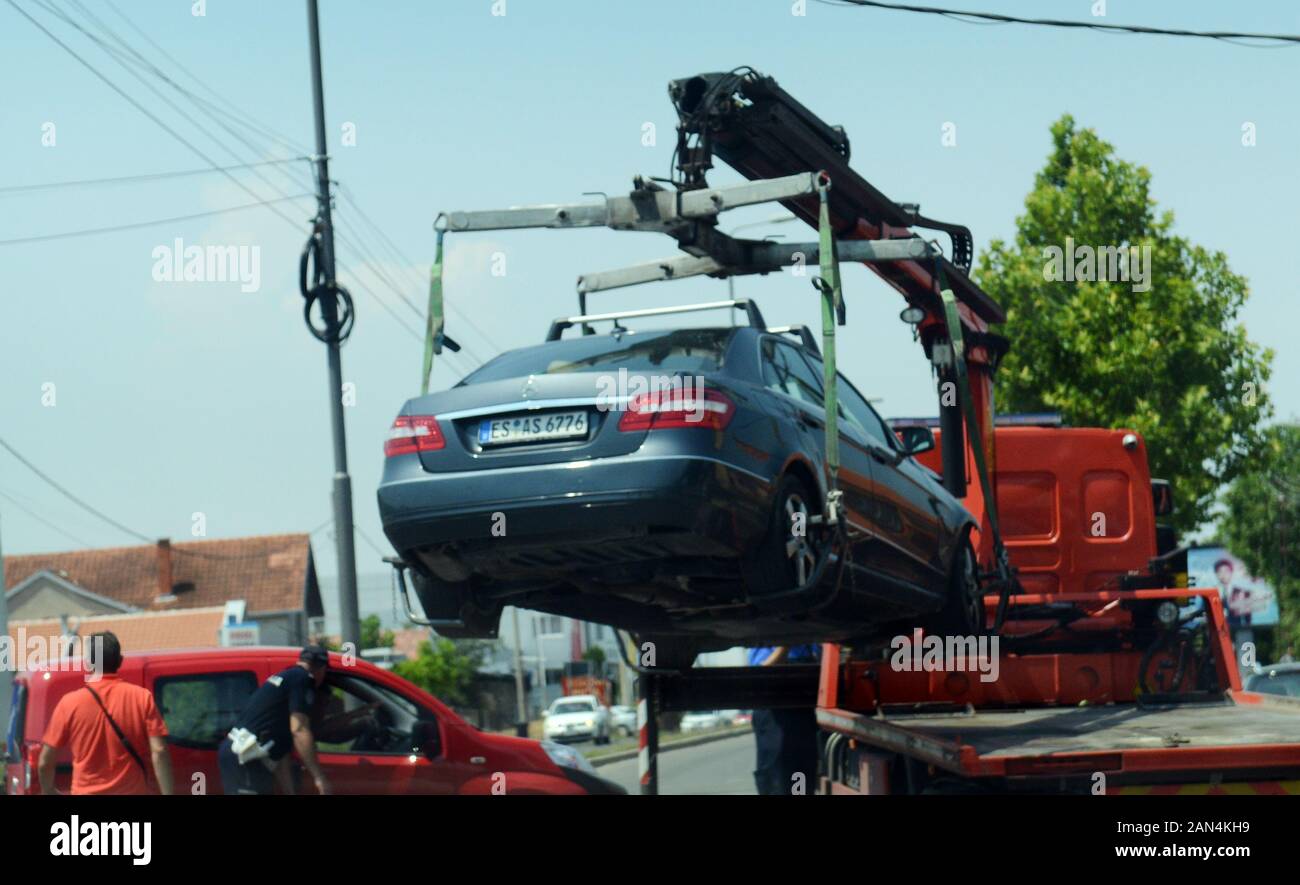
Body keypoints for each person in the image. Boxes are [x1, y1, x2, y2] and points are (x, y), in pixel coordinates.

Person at [38, 631, 174, 796]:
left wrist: (49, 790)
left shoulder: (69, 703)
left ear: (88, 664)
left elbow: (45, 762)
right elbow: (159, 751)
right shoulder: (142, 698)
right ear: (120, 661)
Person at [217, 645, 332, 795]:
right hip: (245, 756)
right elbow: (299, 729)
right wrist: (319, 777)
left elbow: (279, 753)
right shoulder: (303, 679)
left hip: (243, 754)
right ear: (321, 668)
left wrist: (289, 791)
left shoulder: (286, 678)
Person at [749, 644, 820, 796]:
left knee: (801, 770)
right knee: (776, 772)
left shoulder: (808, 638)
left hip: (801, 706)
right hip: (772, 710)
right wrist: (786, 646)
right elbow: (761, 673)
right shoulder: (764, 635)